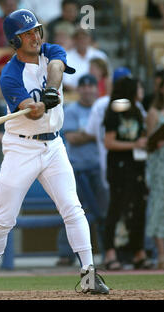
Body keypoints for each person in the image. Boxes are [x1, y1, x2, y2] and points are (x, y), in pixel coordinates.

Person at [0, 9, 109, 296]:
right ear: (14, 41)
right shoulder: (9, 75)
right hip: (21, 147)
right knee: (4, 218)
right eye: (27, 34)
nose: (35, 37)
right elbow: (28, 112)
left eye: (36, 31)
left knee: (72, 208)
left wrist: (51, 91)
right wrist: (33, 107)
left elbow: (56, 67)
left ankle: (89, 273)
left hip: (54, 146)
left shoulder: (51, 50)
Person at [103, 77, 153, 271]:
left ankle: (138, 252)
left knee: (139, 208)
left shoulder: (138, 112)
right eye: (139, 87)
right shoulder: (115, 111)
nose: (141, 90)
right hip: (119, 167)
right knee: (117, 208)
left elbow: (140, 137)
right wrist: (134, 144)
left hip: (137, 166)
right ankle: (110, 253)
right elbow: (109, 142)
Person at [58, 74, 108, 266]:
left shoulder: (101, 108)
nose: (87, 89)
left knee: (103, 213)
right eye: (84, 86)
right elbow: (72, 138)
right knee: (71, 211)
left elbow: (91, 136)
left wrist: (86, 134)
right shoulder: (71, 110)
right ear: (78, 89)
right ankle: (65, 254)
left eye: (91, 86)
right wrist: (95, 134)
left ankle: (106, 252)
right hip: (76, 169)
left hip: (99, 168)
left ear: (97, 88)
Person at [84, 67, 135, 191]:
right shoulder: (132, 104)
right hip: (118, 158)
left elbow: (90, 132)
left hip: (116, 159)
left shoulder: (101, 103)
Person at [145, 77, 164, 269]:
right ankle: (161, 255)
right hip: (160, 166)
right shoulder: (154, 112)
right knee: (159, 207)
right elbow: (149, 144)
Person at [63, 27, 109, 92]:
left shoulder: (100, 56)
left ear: (90, 39)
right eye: (79, 38)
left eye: (85, 37)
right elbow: (66, 83)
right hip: (73, 95)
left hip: (99, 96)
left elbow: (107, 78)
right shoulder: (66, 57)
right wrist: (84, 93)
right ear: (74, 40)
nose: (82, 40)